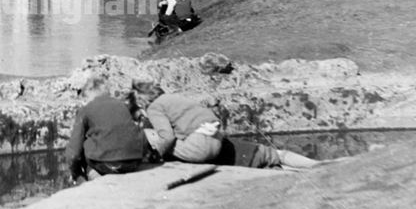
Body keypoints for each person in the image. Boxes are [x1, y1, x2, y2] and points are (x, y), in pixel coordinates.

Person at [129, 82, 318, 170]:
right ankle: (316, 165)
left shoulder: (154, 108)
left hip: (201, 148)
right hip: (215, 136)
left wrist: (157, 154)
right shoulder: (175, 99)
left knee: (151, 134)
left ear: (142, 101)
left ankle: (144, 159)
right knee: (278, 155)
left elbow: (167, 137)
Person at [65, 72, 150, 183]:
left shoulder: (86, 109)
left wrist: (74, 171)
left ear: (88, 94)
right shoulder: (122, 105)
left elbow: (73, 151)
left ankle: (90, 180)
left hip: (106, 165)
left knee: (83, 147)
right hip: (133, 162)